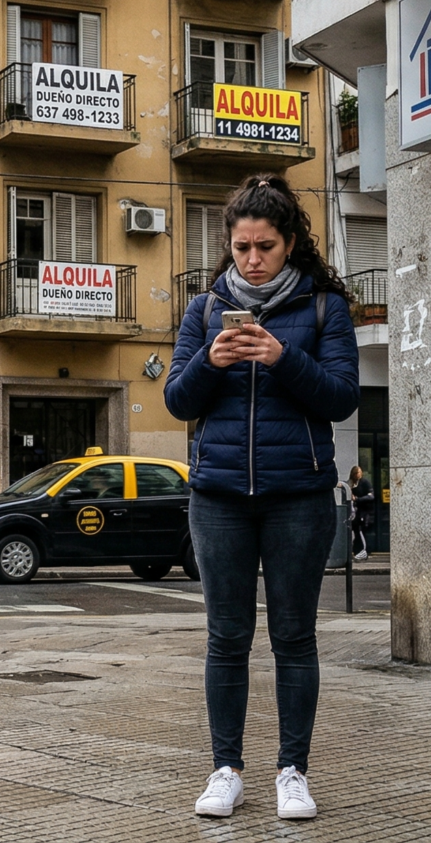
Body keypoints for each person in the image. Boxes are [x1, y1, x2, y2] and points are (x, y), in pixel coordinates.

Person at [164, 175, 359, 822]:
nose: (252, 257)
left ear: (292, 242)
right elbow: (176, 401)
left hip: (298, 495)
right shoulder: (203, 310)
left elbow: (340, 397)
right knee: (227, 637)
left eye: (266, 245)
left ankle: (292, 771)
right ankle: (226, 770)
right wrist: (211, 361)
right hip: (218, 495)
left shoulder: (325, 306)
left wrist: (281, 356)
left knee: (295, 637)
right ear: (229, 243)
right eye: (242, 245)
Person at [347, 466, 377, 562]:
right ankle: (358, 552)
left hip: (364, 511)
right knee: (356, 531)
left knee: (361, 531)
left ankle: (364, 552)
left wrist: (357, 499)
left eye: (360, 472)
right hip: (356, 511)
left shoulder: (364, 482)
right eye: (357, 473)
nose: (359, 474)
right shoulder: (352, 483)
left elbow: (371, 496)